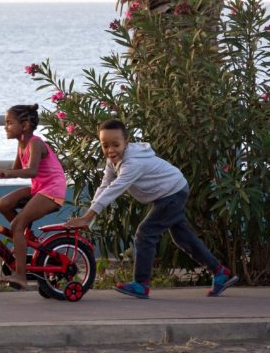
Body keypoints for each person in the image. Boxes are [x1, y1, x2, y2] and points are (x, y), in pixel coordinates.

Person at [65, 119, 238, 299]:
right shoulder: (113, 159)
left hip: (172, 192)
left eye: (116, 144)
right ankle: (220, 272)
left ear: (126, 142)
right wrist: (89, 216)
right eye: (105, 145)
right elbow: (105, 185)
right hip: (169, 192)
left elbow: (114, 189)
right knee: (182, 237)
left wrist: (88, 217)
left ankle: (141, 284)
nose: (110, 150)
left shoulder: (133, 163)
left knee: (145, 233)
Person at [0, 104, 66, 290]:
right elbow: (15, 170)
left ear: (25, 125)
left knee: (16, 225)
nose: (5, 127)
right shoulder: (21, 145)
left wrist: (5, 173)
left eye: (9, 123)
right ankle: (27, 236)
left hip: (52, 190)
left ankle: (20, 275)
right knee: (3, 204)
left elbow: (31, 171)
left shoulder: (35, 142)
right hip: (39, 188)